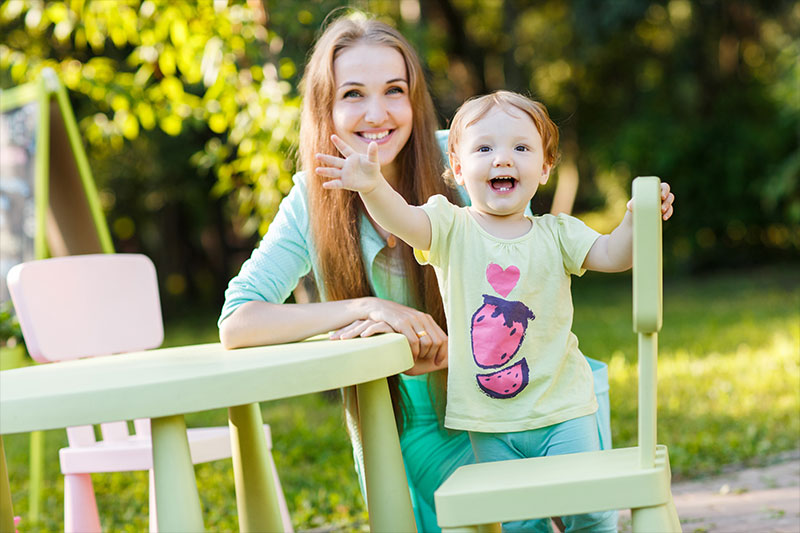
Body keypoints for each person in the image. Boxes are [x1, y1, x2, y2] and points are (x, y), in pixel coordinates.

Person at [219, 14, 672, 532]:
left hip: (521, 398)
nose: (376, 114)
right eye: (352, 94)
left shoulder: (466, 156)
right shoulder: (312, 198)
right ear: (326, 107)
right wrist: (369, 308)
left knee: (580, 514)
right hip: (410, 422)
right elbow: (238, 322)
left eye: (394, 90)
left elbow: (546, 250)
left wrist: (635, 223)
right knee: (510, 521)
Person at [315, 90, 675, 532]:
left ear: (544, 168)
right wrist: (372, 185)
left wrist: (637, 223)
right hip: (488, 420)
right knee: (521, 523)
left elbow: (614, 254)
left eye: (521, 148)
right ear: (459, 168)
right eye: (484, 148)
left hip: (563, 408)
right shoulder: (449, 227)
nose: (502, 159)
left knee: (591, 511)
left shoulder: (558, 234)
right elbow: (401, 219)